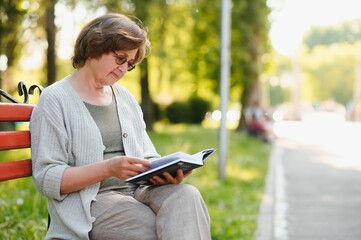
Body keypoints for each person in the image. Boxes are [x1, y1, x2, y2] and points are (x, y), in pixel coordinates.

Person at [30, 13, 211, 240]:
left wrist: (166, 172)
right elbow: (47, 178)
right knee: (161, 229)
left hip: (140, 192)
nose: (124, 69)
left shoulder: (124, 97)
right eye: (120, 58)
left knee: (187, 196)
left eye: (130, 64)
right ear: (96, 45)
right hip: (92, 202)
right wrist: (108, 168)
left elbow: (147, 153)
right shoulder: (55, 99)